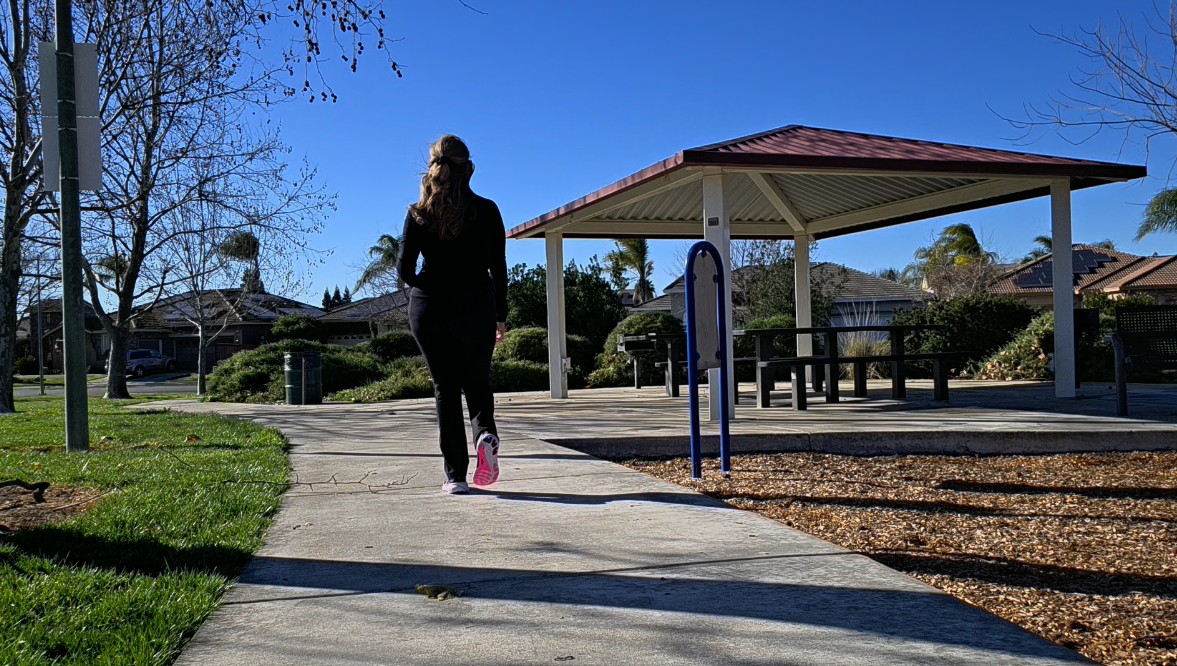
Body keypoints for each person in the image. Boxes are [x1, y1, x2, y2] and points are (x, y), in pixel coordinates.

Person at [397, 135, 508, 495]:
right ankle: (485, 434)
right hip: (476, 303)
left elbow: (404, 269)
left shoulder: (418, 213)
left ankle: (456, 477)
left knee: (446, 387)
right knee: (477, 381)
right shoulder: (488, 210)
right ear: (469, 168)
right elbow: (499, 268)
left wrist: (429, 285)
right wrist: (500, 316)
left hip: (429, 306)